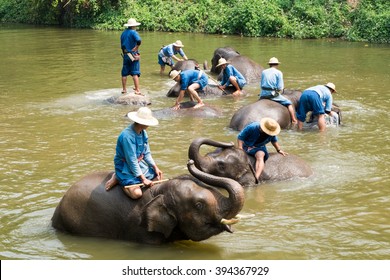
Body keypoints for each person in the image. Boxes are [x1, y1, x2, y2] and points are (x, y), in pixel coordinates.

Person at [105, 107, 163, 199]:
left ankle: (132, 179)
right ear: (141, 122)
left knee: (158, 179)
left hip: (138, 164)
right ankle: (119, 178)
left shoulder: (143, 133)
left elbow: (146, 153)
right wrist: (143, 179)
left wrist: (155, 167)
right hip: (125, 166)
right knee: (137, 194)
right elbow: (131, 160)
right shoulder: (127, 136)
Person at [259, 57, 298, 125]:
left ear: (269, 65)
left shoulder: (264, 72)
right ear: (277, 65)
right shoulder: (278, 72)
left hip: (263, 94)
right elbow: (280, 87)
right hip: (272, 94)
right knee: (289, 103)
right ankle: (294, 120)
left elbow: (261, 84)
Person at [120, 18, 142, 95]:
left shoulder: (123, 33)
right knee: (135, 72)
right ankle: (137, 90)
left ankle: (124, 89)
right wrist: (137, 47)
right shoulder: (133, 32)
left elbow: (122, 45)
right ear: (134, 26)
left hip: (125, 54)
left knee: (124, 73)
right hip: (133, 54)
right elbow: (139, 40)